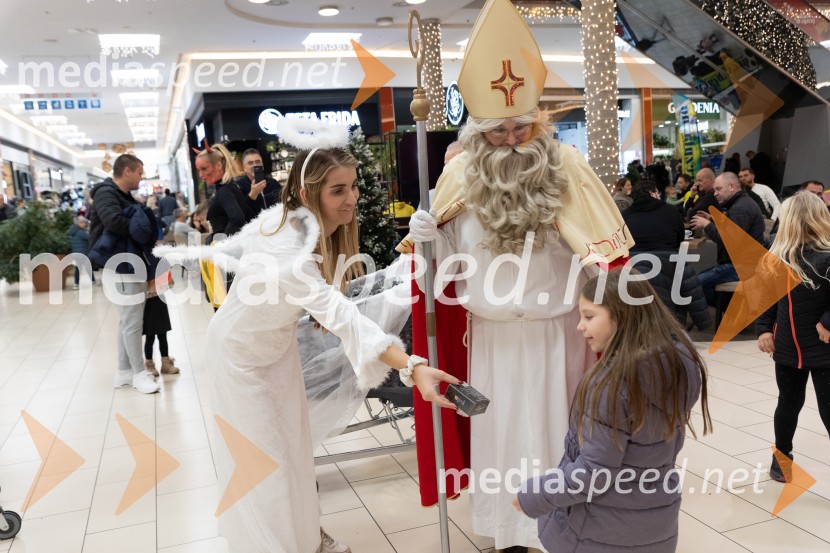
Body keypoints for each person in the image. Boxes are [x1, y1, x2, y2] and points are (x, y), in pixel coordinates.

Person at [399, 1, 633, 548]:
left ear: (539, 120)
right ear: (478, 132)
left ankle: (570, 530)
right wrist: (429, 241)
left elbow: (604, 257)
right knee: (502, 438)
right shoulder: (458, 174)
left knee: (562, 437)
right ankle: (510, 534)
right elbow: (438, 274)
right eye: (497, 131)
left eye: (520, 127)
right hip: (492, 340)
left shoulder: (567, 167)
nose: (510, 139)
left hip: (561, 336)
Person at [155, 146, 460, 553]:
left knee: (294, 453)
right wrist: (412, 367)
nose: (350, 198)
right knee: (268, 462)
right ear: (307, 192)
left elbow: (321, 297)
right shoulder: (288, 248)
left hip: (276, 349)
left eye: (352, 186)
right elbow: (342, 315)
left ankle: (304, 536)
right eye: (338, 190)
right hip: (239, 356)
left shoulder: (301, 226)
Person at [515, 270, 711, 553]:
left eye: (589, 316)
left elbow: (592, 474)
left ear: (622, 314)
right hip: (656, 520)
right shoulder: (681, 359)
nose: (580, 327)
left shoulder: (611, 383)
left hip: (600, 528)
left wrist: (534, 496)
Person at [756, 192, 830, 482]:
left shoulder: (827, 258)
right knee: (788, 404)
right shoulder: (776, 258)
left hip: (824, 349)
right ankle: (781, 458)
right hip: (787, 347)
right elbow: (767, 300)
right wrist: (764, 328)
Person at [88, 154, 160, 394]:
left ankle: (123, 372)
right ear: (127, 171)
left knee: (127, 321)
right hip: (120, 265)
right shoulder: (106, 193)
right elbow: (114, 222)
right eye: (139, 172)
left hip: (127, 263)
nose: (142, 177)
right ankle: (139, 374)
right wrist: (140, 222)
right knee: (132, 322)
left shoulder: (121, 195)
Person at [197, 143, 257, 238]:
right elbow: (248, 217)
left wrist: (222, 244)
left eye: (204, 168)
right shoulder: (230, 187)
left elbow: (237, 219)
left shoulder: (225, 190)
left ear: (219, 165)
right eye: (198, 170)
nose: (200, 175)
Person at [622, 178, 685, 252]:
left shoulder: (624, 216)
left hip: (633, 261)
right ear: (653, 193)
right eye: (658, 193)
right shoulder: (671, 211)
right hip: (668, 260)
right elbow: (680, 239)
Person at [142, 272, 180, 377]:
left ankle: (165, 362)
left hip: (160, 301)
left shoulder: (158, 265)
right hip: (147, 304)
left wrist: (162, 284)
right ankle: (149, 363)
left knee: (163, 335)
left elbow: (171, 283)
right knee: (150, 337)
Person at [69, 215, 95, 289]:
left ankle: (76, 283)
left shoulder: (73, 232)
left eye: (84, 222)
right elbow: (89, 238)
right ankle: (92, 280)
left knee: (78, 268)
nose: (84, 224)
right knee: (88, 267)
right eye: (82, 223)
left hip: (76, 254)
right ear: (78, 223)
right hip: (84, 253)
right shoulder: (81, 232)